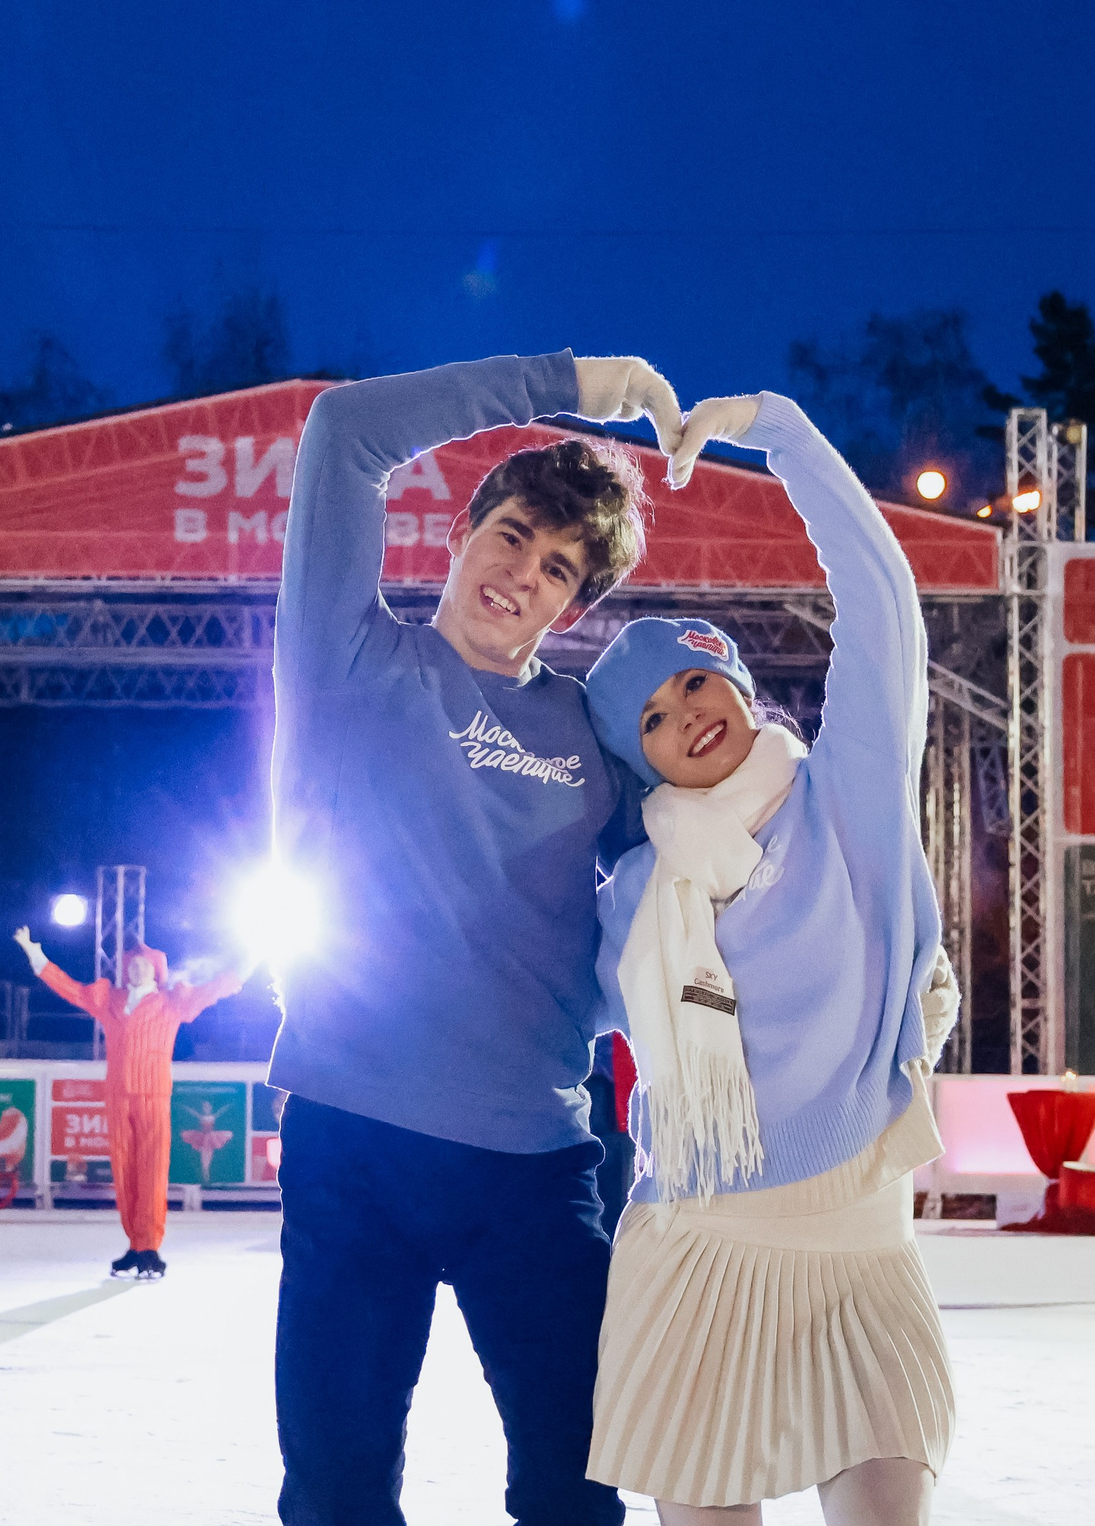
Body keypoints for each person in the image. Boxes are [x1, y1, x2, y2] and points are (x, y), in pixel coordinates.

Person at [269, 350, 709, 1526]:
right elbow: (343, 429)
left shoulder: (589, 736)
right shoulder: (351, 655)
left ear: (576, 604)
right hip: (352, 1141)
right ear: (462, 529)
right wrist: (566, 379)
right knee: (337, 1491)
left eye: (558, 567)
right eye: (511, 534)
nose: (522, 573)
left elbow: (705, 863)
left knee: (578, 1491)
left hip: (537, 1158)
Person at [582, 392, 965, 1525]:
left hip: (857, 1236)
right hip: (698, 1246)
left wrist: (784, 434)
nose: (683, 712)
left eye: (693, 679)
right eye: (649, 716)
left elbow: (884, 600)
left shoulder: (846, 792)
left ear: (735, 680)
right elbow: (534, 1006)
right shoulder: (635, 897)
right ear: (642, 762)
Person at [15, 931, 251, 1278]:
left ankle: (150, 1246)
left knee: (152, 1171)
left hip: (153, 1095)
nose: (137, 970)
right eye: (132, 965)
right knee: (125, 1173)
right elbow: (72, 990)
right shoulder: (110, 1000)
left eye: (143, 965)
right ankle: (135, 1244)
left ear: (156, 970)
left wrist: (252, 959)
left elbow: (215, 989)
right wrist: (36, 955)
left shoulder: (172, 1002)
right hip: (118, 1095)